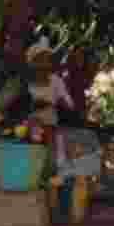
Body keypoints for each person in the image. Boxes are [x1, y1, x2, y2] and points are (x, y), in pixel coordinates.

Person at [25, 37, 74, 166]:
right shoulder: (25, 82)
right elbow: (18, 106)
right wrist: (34, 107)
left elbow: (69, 104)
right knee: (35, 133)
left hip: (51, 124)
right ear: (32, 62)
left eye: (47, 60)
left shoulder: (56, 81)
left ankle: (53, 173)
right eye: (40, 60)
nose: (44, 64)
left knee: (58, 143)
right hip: (27, 126)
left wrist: (61, 103)